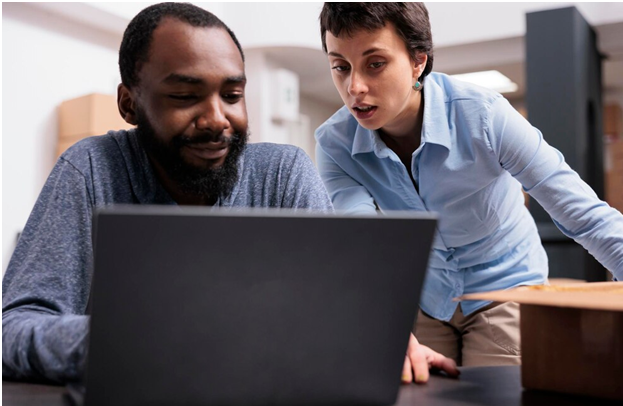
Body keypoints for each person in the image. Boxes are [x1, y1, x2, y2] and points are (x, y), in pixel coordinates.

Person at [3, 2, 458, 385]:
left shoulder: (282, 172)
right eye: (185, 96)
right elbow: (13, 328)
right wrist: (131, 341)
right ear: (130, 105)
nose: (217, 118)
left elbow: (341, 312)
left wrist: (377, 336)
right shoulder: (91, 170)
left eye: (233, 94)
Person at [315, 2, 623, 382]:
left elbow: (584, 215)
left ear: (417, 62)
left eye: (374, 63)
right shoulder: (335, 145)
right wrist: (382, 327)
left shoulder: (485, 116)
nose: (354, 87)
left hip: (505, 289)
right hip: (424, 299)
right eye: (340, 67)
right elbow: (362, 243)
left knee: (499, 399)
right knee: (414, 400)